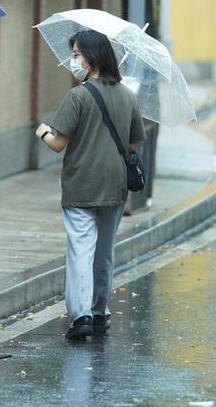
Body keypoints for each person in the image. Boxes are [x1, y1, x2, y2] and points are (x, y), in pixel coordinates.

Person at [35, 29, 145, 342]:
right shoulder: (126, 95)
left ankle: (80, 315)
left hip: (81, 183)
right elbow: (134, 144)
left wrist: (43, 131)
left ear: (92, 58)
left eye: (76, 55)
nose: (73, 61)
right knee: (104, 252)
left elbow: (58, 144)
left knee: (80, 250)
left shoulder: (78, 96)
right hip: (115, 186)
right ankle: (99, 312)